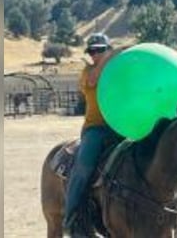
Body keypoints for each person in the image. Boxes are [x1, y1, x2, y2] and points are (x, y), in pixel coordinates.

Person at [63, 32, 127, 232]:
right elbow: (93, 81)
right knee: (83, 167)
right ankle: (71, 217)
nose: (94, 54)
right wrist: (108, 57)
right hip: (95, 129)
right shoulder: (87, 73)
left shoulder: (118, 74)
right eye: (91, 51)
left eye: (99, 50)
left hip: (121, 128)